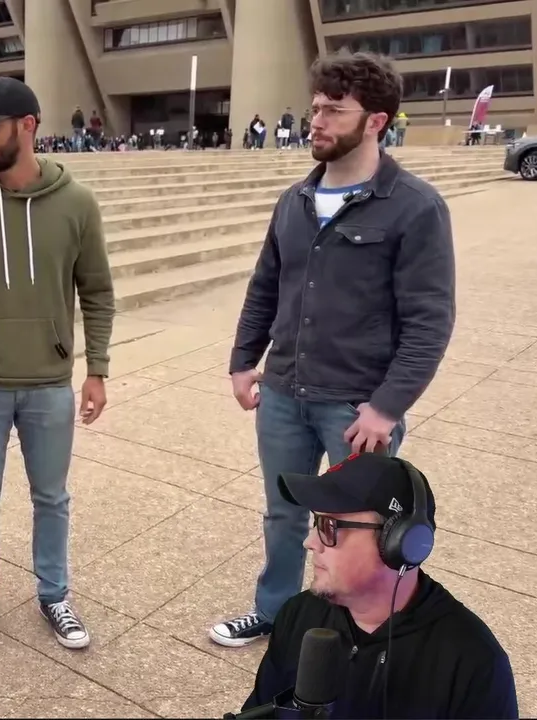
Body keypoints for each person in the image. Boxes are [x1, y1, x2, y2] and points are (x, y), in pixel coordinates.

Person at [212, 51, 455, 649]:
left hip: (356, 408)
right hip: (283, 394)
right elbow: (265, 287)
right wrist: (244, 361)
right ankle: (275, 614)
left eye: (333, 111)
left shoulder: (415, 207)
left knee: (361, 526)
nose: (315, 121)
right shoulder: (294, 199)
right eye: (316, 108)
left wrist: (387, 407)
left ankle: (356, 629)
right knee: (283, 512)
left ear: (376, 121)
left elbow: (429, 321)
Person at [0, 77, 116, 654]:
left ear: (27, 126)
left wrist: (97, 369)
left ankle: (54, 595)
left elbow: (97, 292)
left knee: (52, 498)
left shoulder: (77, 204)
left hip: (48, 383)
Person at [243, 453, 518, 718]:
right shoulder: (299, 614)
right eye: (316, 522)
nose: (310, 542)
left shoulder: (473, 662)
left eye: (329, 526)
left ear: (399, 541)